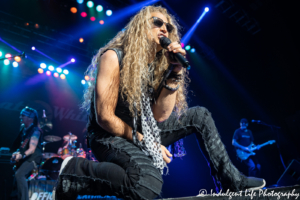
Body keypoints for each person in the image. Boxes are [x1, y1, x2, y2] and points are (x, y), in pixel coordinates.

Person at [53, 6, 265, 200]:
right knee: (146, 183)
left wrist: (175, 71)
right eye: (157, 23)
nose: (164, 28)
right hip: (108, 135)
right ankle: (75, 171)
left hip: (144, 129)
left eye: (168, 26)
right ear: (140, 27)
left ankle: (231, 182)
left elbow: (160, 116)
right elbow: (105, 117)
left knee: (200, 115)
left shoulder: (157, 66)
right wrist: (147, 142)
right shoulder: (113, 56)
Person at [10, 107, 43, 200]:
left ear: (30, 118)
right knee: (16, 178)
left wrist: (21, 155)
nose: (20, 117)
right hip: (25, 158)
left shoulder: (36, 130)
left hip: (34, 158)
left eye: (23, 115)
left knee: (19, 175)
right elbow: (22, 145)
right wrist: (16, 153)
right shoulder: (23, 128)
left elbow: (32, 149)